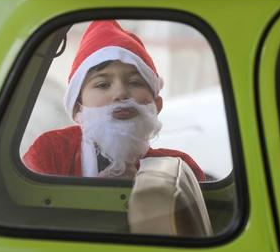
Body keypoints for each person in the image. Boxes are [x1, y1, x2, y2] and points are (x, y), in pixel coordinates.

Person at [23, 20, 205, 181]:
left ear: (156, 106)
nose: (120, 94)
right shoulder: (50, 152)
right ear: (78, 108)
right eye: (103, 85)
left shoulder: (178, 171)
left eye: (134, 82)